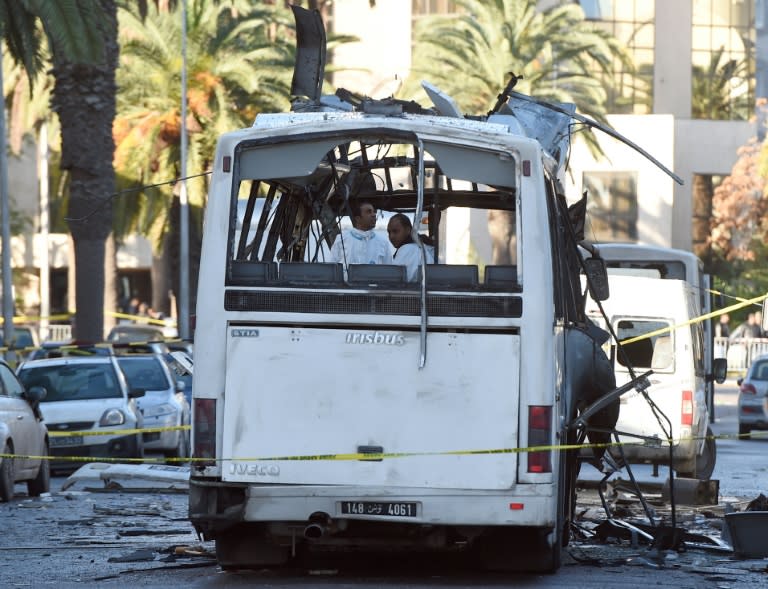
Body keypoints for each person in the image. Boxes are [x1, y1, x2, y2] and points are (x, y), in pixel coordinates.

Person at [329, 200, 392, 266]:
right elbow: (333, 268)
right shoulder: (341, 239)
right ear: (358, 219)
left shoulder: (383, 242)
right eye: (369, 212)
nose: (374, 215)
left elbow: (389, 270)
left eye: (374, 212)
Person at [387, 213, 434, 281]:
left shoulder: (408, 249)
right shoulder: (421, 245)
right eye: (389, 232)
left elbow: (394, 280)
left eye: (395, 231)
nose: (391, 236)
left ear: (408, 230)